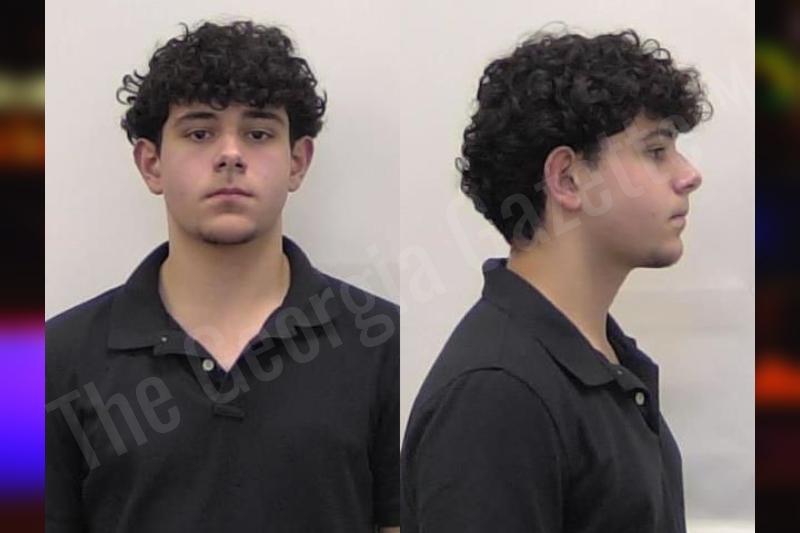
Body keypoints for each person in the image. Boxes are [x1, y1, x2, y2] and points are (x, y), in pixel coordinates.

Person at [46, 20, 399, 533]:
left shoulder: (384, 342)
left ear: (297, 162)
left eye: (258, 133)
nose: (230, 154)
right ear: (151, 164)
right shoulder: (45, 363)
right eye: (200, 132)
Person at [401, 28, 710, 533]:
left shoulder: (599, 362)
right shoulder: (497, 395)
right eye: (656, 150)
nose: (689, 174)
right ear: (567, 179)